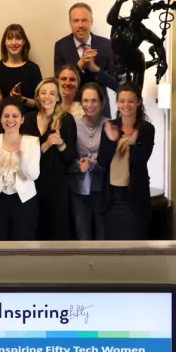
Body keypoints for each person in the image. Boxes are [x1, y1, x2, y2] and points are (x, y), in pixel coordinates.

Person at [97, 82, 154, 240]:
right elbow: (102, 161)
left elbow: (140, 161)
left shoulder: (146, 129)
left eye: (130, 101)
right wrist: (111, 141)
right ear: (117, 102)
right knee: (113, 245)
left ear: (138, 102)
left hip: (134, 197)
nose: (126, 105)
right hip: (111, 197)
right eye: (122, 101)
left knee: (135, 244)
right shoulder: (110, 126)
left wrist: (133, 143)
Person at [22, 78, 76, 240]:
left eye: (52, 93)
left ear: (58, 97)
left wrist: (60, 144)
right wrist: (45, 145)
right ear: (37, 96)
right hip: (32, 185)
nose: (47, 97)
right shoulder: (28, 119)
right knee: (34, 232)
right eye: (43, 93)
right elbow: (23, 156)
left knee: (58, 233)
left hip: (57, 186)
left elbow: (70, 157)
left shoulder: (66, 120)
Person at [0, 99, 41, 240]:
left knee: (23, 246)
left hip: (25, 201)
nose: (10, 120)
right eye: (6, 116)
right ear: (1, 119)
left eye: (15, 116)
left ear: (22, 119)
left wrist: (22, 157)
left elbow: (33, 175)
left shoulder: (32, 141)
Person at [53, 3, 118, 118]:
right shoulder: (61, 46)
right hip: (72, 111)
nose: (80, 25)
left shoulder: (106, 44)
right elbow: (58, 81)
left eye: (84, 20)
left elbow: (115, 84)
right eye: (76, 21)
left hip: (101, 110)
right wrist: (80, 65)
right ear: (70, 23)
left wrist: (95, 69)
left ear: (91, 21)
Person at [68, 82, 108, 240]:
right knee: (82, 235)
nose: (89, 105)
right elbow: (66, 156)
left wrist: (93, 164)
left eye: (94, 100)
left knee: (102, 236)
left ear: (101, 102)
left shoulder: (109, 125)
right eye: (85, 100)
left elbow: (111, 158)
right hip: (78, 187)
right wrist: (78, 165)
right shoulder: (73, 125)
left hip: (102, 188)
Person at [0, 24, 43, 109]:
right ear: (4, 42)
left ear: (24, 42)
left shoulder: (33, 69)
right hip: (2, 116)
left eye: (18, 38)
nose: (14, 43)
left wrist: (21, 99)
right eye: (10, 38)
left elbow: (39, 103)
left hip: (28, 116)